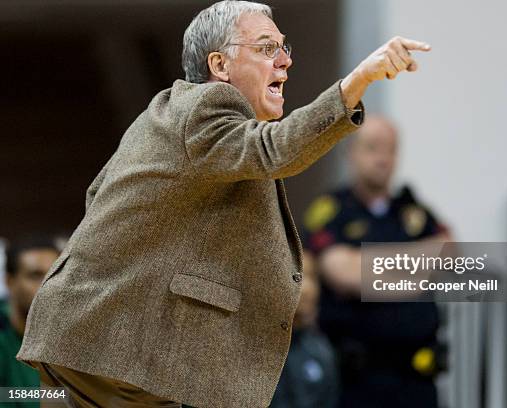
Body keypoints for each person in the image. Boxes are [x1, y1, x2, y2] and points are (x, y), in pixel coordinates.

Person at [17, 1, 432, 406]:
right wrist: (354, 84)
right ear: (219, 66)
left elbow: (97, 194)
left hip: (87, 342)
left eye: (284, 47)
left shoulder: (170, 113)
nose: (284, 61)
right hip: (115, 349)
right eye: (267, 48)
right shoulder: (209, 105)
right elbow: (274, 150)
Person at [303, 115, 450, 407]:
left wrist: (368, 268)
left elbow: (447, 254)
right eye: (372, 148)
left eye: (391, 149)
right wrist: (416, 269)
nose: (383, 158)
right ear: (351, 153)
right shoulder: (331, 211)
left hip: (415, 382)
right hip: (356, 383)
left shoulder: (413, 212)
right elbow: (343, 274)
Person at [270, 253, 339, 408]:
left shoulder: (321, 351)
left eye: (312, 277)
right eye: (297, 277)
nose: (307, 289)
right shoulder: (249, 349)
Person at [1, 237, 60, 408]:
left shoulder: (73, 338)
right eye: (35, 275)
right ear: (10, 282)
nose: (48, 285)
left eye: (55, 274)